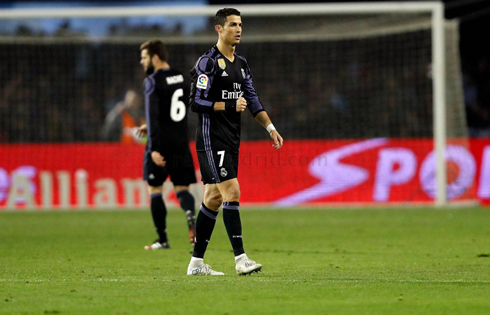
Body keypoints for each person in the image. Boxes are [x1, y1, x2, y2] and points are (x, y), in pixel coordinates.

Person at [186, 8, 284, 276]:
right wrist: (227, 104)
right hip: (211, 137)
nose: (238, 29)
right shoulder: (207, 63)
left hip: (231, 139)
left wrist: (270, 127)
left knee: (214, 197)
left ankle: (196, 264)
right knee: (232, 192)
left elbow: (251, 98)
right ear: (219, 29)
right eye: (232, 24)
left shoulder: (241, 63)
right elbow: (195, 101)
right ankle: (241, 259)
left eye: (240, 24)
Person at [135, 39, 198, 250]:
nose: (142, 63)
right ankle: (191, 218)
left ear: (155, 57)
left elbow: (153, 115)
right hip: (180, 142)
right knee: (182, 188)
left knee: (155, 189)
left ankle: (162, 239)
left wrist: (153, 148)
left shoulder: (152, 81)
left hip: (160, 142)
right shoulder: (182, 77)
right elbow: (178, 109)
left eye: (144, 58)